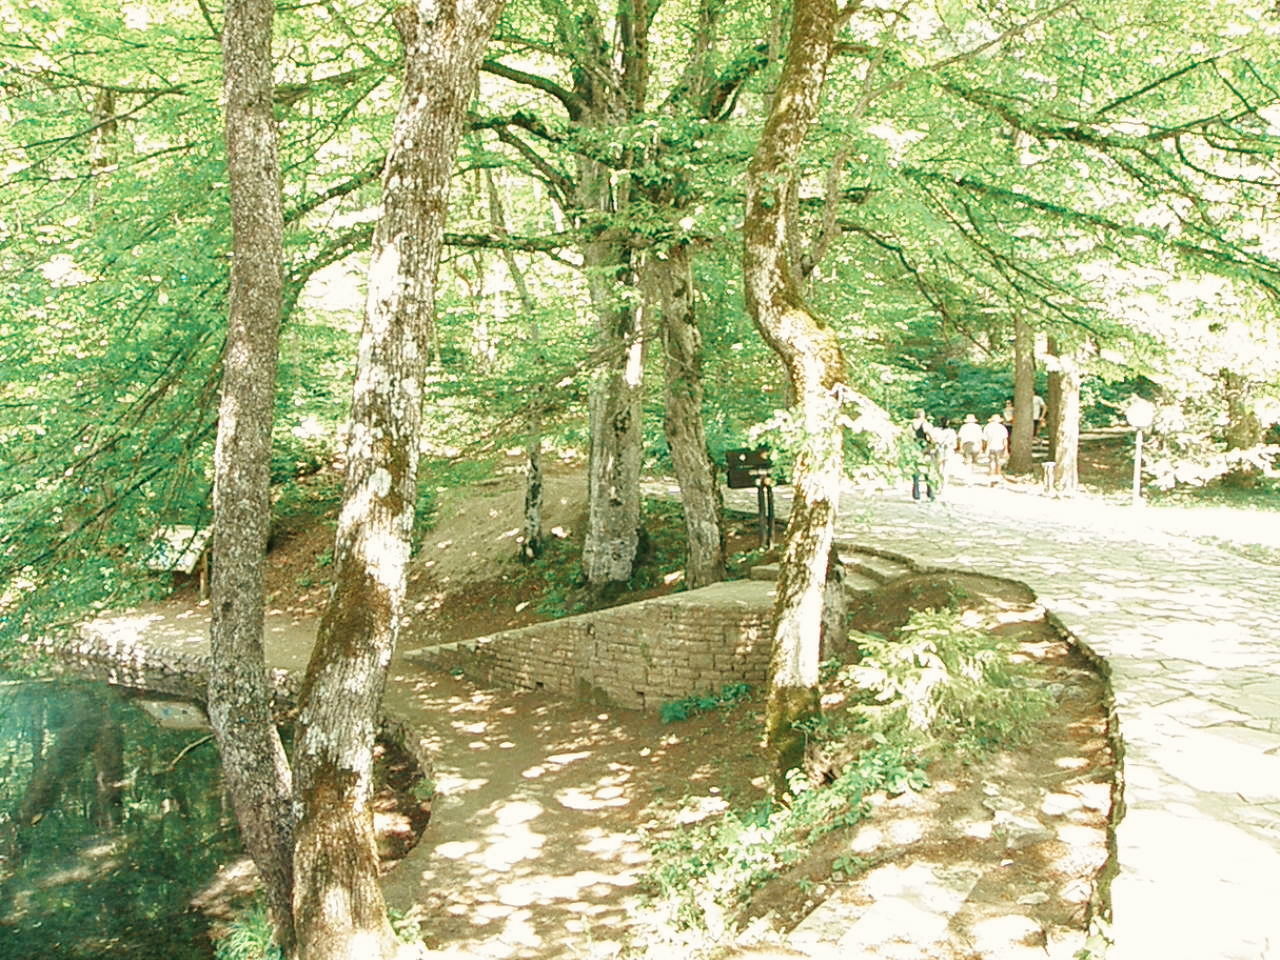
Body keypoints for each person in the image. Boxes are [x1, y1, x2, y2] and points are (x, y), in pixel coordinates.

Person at [909, 409, 934, 501]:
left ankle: (916, 495)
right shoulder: (926, 424)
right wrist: (933, 444)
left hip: (914, 448)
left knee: (916, 472)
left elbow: (908, 436)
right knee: (928, 470)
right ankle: (930, 494)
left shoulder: (911, 425)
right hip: (925, 448)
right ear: (923, 415)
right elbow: (930, 435)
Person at [983, 413, 1009, 481]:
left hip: (990, 447)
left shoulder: (987, 427)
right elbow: (1005, 440)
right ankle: (998, 475)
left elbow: (985, 439)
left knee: (992, 461)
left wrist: (985, 448)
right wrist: (1006, 450)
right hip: (1000, 447)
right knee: (999, 461)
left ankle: (991, 475)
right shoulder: (1002, 427)